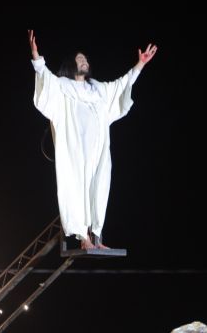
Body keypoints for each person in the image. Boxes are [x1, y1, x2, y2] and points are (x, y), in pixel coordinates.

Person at [28, 29, 158, 249]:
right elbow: (45, 79)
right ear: (72, 65)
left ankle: (97, 237)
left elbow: (122, 84)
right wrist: (36, 56)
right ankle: (83, 238)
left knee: (98, 188)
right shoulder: (63, 87)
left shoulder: (99, 89)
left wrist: (140, 64)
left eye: (85, 59)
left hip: (97, 150)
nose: (84, 61)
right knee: (77, 189)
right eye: (80, 59)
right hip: (76, 151)